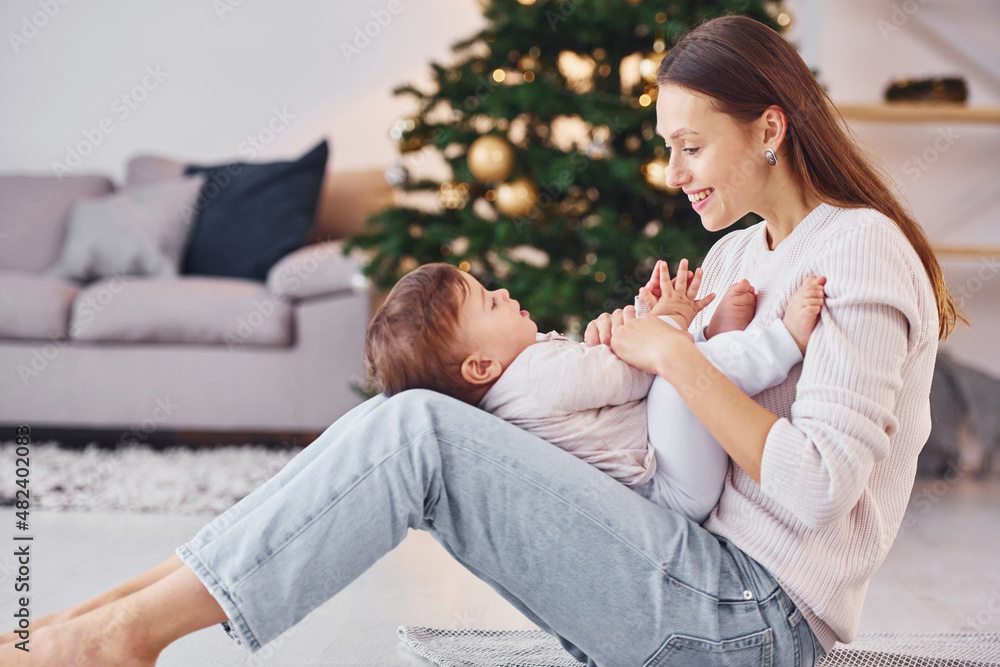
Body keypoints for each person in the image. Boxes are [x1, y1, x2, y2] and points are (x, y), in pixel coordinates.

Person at [1, 15, 962, 666]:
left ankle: (123, 635)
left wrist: (671, 354)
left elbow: (816, 487)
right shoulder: (749, 249)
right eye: (666, 145)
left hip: (752, 621)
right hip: (686, 557)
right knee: (400, 416)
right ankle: (109, 616)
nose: (673, 174)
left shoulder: (863, 252)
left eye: (689, 146)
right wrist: (658, 340)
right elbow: (681, 408)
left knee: (417, 431)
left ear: (770, 129)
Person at [364, 259, 826, 523]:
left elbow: (612, 369)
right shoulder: (530, 377)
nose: (503, 292)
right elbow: (637, 375)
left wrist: (649, 314)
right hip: (670, 487)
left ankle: (717, 342)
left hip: (665, 459)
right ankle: (782, 344)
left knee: (677, 373)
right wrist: (671, 318)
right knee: (672, 381)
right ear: (481, 365)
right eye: (489, 302)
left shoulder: (514, 385)